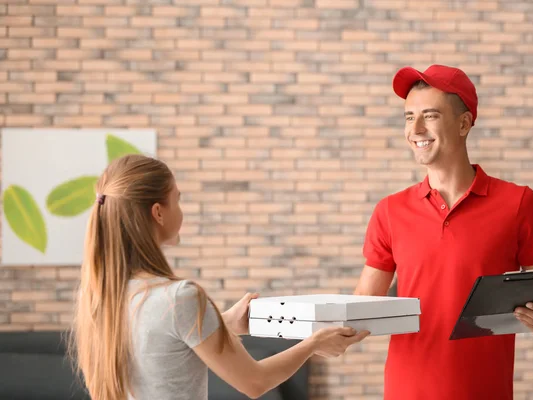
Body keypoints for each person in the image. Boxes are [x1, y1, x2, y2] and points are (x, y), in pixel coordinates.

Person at [69, 154, 370, 400]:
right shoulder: (180, 297)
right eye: (178, 200)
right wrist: (313, 344)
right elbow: (254, 381)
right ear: (158, 212)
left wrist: (223, 323)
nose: (182, 211)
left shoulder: (97, 293)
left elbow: (159, 339)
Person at [354, 64, 533, 400]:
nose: (416, 128)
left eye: (430, 115)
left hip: (485, 391)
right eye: (409, 117)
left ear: (464, 123)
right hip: (406, 391)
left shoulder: (517, 203)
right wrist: (315, 330)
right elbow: (362, 307)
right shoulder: (390, 210)